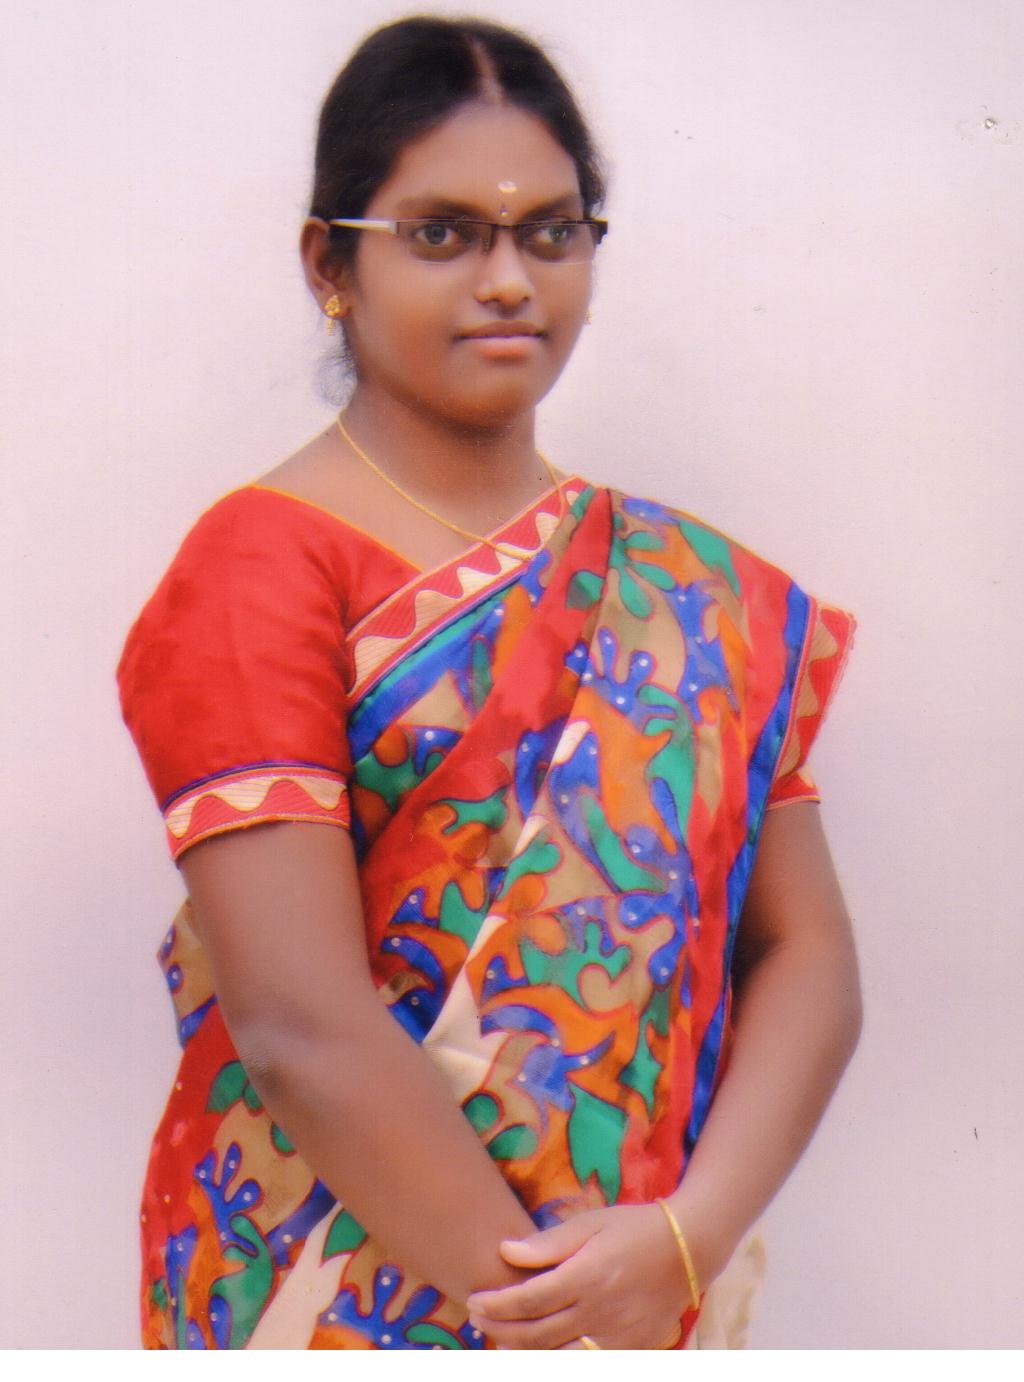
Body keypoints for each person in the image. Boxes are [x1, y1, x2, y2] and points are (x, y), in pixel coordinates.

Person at [115, 13, 861, 1351]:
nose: (509, 279)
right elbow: (299, 1023)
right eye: (444, 233)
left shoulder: (689, 589)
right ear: (330, 263)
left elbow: (806, 953)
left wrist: (681, 1243)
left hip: (646, 1287)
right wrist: (559, 1324)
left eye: (551, 232)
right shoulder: (260, 569)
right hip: (328, 1290)